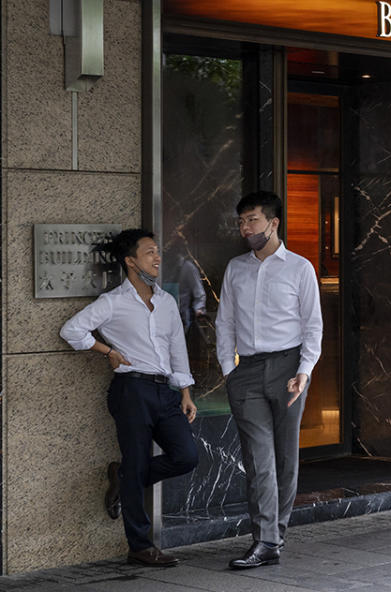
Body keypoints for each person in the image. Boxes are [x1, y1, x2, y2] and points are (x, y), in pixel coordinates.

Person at [60, 229, 199, 567]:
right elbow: (71, 330)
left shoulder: (165, 301)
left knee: (186, 456)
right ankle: (140, 545)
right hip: (131, 391)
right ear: (130, 261)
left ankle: (124, 477)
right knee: (138, 464)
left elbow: (177, 347)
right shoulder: (113, 302)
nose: (157, 258)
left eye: (158, 252)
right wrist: (108, 350)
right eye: (150, 252)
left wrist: (185, 392)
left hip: (164, 392)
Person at [216, 191, 323, 569]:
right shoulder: (235, 268)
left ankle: (275, 535)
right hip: (246, 372)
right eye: (242, 221)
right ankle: (265, 541)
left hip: (288, 368)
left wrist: (304, 371)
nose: (245, 228)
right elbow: (224, 321)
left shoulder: (299, 268)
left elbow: (313, 326)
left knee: (284, 457)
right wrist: (229, 371)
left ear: (273, 223)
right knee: (258, 458)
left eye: (252, 220)